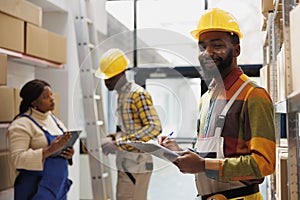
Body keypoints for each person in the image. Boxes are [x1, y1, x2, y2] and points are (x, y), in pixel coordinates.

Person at [159, 8, 276, 200]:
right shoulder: (207, 99)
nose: (207, 53)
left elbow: (264, 164)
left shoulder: (254, 95)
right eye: (202, 46)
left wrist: (203, 166)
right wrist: (178, 152)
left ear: (236, 50)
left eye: (217, 45)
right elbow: (209, 154)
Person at [98, 48, 162, 200]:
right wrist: (114, 137)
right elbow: (133, 128)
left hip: (136, 164)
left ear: (122, 74)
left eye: (110, 78)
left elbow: (154, 127)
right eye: (105, 78)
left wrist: (118, 144)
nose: (106, 82)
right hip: (128, 162)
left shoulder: (137, 94)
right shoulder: (122, 95)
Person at [7, 79, 74, 200]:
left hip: (58, 188)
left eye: (51, 95)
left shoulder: (55, 121)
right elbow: (17, 159)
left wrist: (68, 154)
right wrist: (49, 150)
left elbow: (61, 149)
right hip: (35, 189)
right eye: (46, 97)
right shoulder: (21, 124)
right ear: (34, 102)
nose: (52, 99)